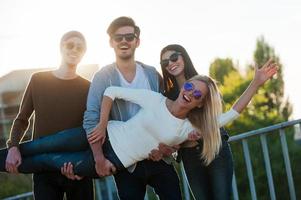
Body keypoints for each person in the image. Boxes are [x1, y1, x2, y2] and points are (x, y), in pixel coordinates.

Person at [0, 62, 277, 178]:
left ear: (201, 103)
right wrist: (100, 124)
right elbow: (110, 92)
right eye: (190, 87)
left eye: (197, 95)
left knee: (49, 162)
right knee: (40, 145)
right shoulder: (156, 100)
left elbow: (231, 113)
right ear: (184, 87)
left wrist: (256, 83)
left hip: (114, 161)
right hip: (102, 133)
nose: (190, 93)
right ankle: (8, 152)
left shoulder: (191, 127)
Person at [82, 16, 182, 199]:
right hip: (126, 160)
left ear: (137, 41)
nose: (124, 41)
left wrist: (168, 148)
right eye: (118, 38)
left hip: (157, 156)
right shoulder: (103, 77)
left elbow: (166, 112)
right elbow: (91, 117)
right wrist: (98, 158)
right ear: (111, 42)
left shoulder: (152, 74)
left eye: (129, 37)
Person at [157, 44, 261, 200]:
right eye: (165, 63)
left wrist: (256, 82)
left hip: (215, 149)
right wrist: (176, 143)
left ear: (183, 56)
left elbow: (228, 114)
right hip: (190, 156)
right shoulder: (167, 97)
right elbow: (170, 132)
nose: (171, 64)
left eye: (174, 58)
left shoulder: (204, 84)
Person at [4, 31, 94, 200]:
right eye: (70, 45)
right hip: (44, 170)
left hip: (76, 168)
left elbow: (91, 130)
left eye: (80, 47)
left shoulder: (89, 88)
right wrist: (13, 147)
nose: (74, 49)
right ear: (61, 47)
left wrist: (85, 167)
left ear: (83, 53)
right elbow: (22, 119)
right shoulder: (38, 80)